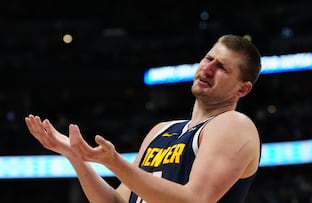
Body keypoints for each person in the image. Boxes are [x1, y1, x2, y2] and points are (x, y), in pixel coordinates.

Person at [25, 34, 262, 203]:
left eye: (222, 67)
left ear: (243, 89)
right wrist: (76, 156)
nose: (209, 68)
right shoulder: (161, 130)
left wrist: (114, 162)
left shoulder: (234, 125)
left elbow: (195, 200)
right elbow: (118, 201)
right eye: (209, 58)